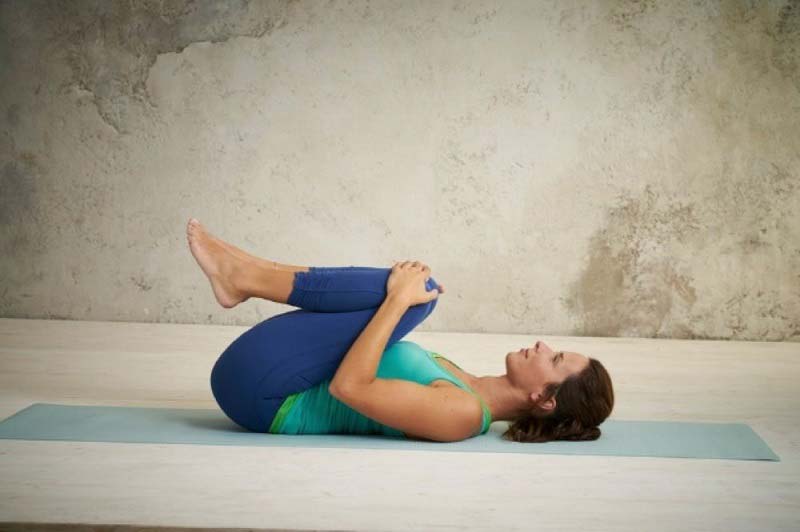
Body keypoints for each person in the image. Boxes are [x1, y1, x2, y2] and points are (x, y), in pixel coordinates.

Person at [186, 218, 614, 443]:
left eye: (555, 358)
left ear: (543, 399)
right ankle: (247, 273)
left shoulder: (464, 416)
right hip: (271, 376)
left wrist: (397, 300)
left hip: (263, 397)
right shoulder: (466, 383)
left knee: (418, 295)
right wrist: (400, 297)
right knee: (418, 292)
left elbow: (349, 388)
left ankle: (244, 276)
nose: (542, 345)